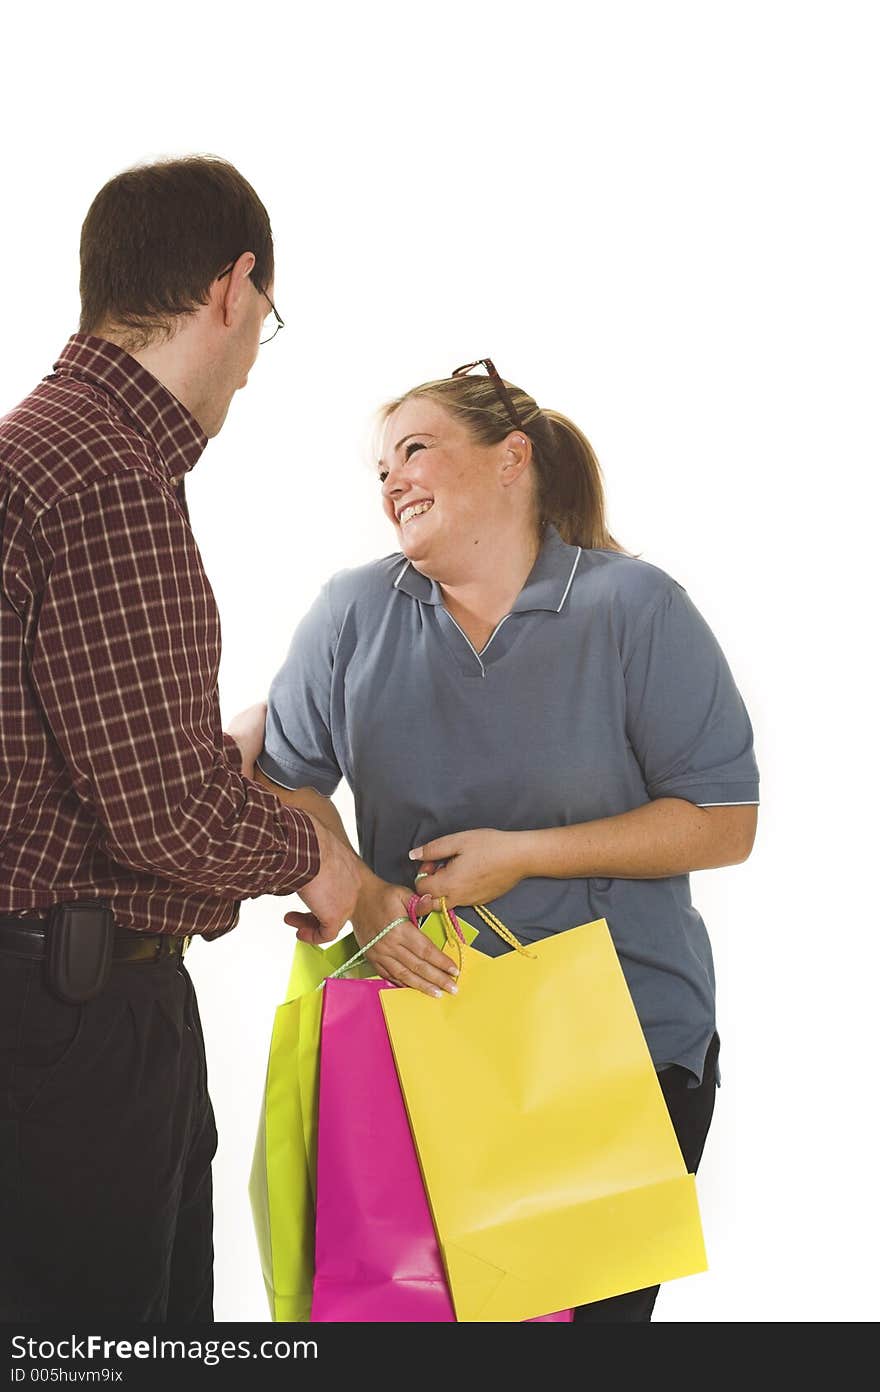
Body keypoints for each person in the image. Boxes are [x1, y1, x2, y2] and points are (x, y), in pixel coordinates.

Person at [254, 357, 760, 1323]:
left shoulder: (633, 609)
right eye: (379, 468)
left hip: (618, 1050)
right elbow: (285, 778)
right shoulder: (353, 612)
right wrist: (358, 888)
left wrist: (530, 852)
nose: (392, 478)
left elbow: (723, 820)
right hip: (419, 1043)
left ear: (510, 460)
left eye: (415, 449)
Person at [0, 156, 360, 1323]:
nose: (255, 360)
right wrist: (317, 860)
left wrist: (221, 753)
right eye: (266, 319)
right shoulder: (109, 476)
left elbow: (72, 760)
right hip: (74, 1030)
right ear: (234, 287)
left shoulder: (36, 447)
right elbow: (159, 812)